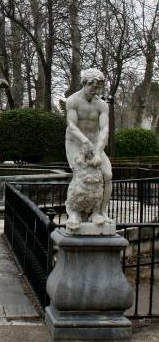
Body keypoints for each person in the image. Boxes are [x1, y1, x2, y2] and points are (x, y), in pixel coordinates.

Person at [65, 68, 113, 230]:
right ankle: (74, 212)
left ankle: (100, 212)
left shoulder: (102, 105)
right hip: (75, 143)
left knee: (107, 175)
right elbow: (71, 126)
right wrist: (84, 141)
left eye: (98, 87)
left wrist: (98, 152)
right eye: (93, 86)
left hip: (94, 144)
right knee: (79, 174)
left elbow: (104, 130)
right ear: (85, 83)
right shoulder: (72, 101)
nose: (96, 90)